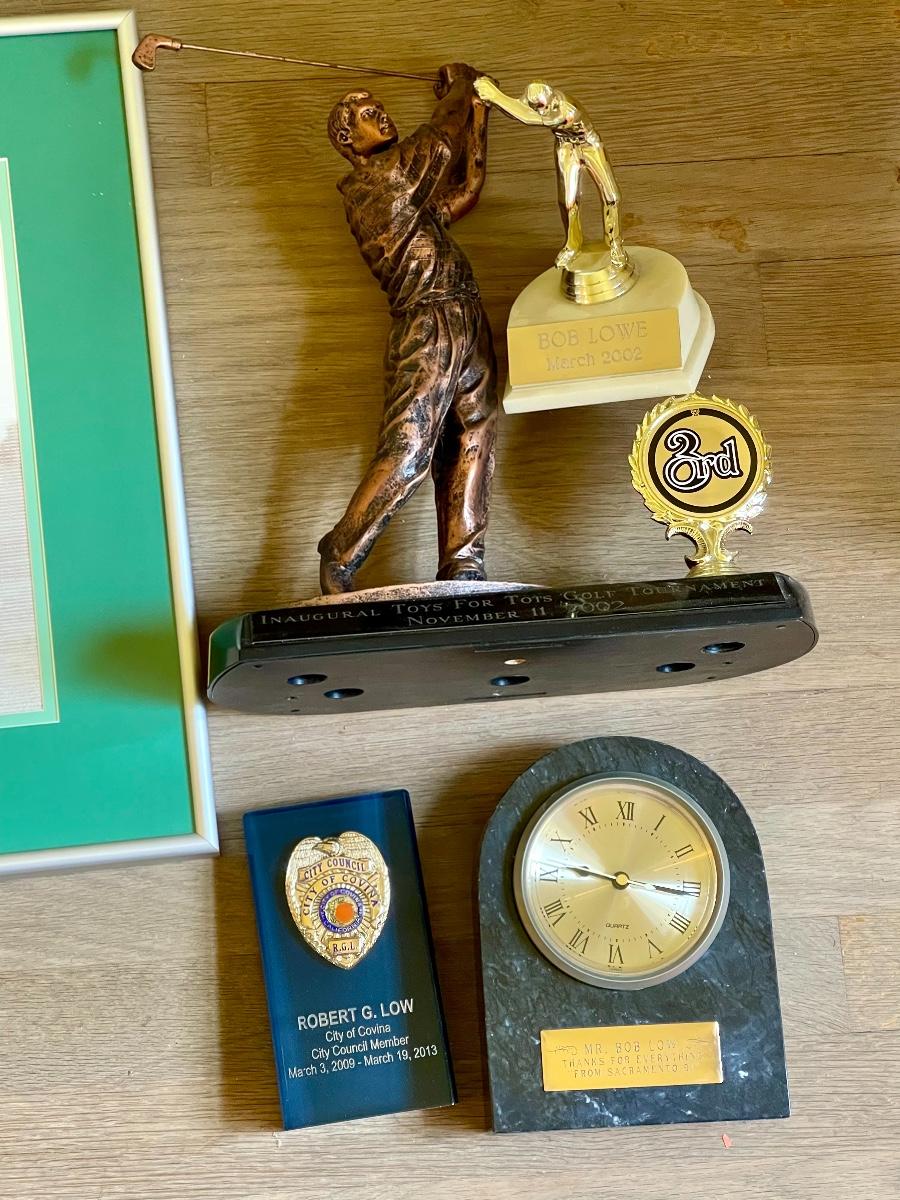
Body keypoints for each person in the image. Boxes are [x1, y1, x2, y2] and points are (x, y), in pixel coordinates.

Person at [317, 63, 497, 595]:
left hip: (464, 312)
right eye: (369, 115)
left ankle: (463, 564)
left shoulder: (406, 193)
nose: (382, 116)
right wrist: (461, 86)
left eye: (380, 109)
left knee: (474, 433)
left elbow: (464, 191)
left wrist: (479, 111)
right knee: (411, 447)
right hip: (428, 321)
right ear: (348, 140)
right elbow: (439, 139)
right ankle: (341, 550)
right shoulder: (373, 183)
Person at [474, 77, 628, 271]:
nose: (542, 111)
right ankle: (573, 245)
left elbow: (529, 119)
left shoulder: (567, 109)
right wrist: (493, 97)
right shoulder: (535, 101)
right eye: (537, 108)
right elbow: (517, 109)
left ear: (553, 98)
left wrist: (495, 95)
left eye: (545, 107)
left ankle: (614, 244)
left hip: (590, 145)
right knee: (568, 202)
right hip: (565, 147)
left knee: (611, 197)